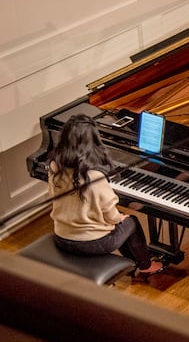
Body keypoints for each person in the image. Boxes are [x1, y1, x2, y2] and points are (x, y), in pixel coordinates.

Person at [48, 113, 165, 276]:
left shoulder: (55, 166)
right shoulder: (94, 176)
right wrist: (119, 219)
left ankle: (133, 263)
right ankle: (145, 266)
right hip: (91, 243)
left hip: (62, 235)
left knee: (122, 224)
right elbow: (110, 213)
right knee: (130, 222)